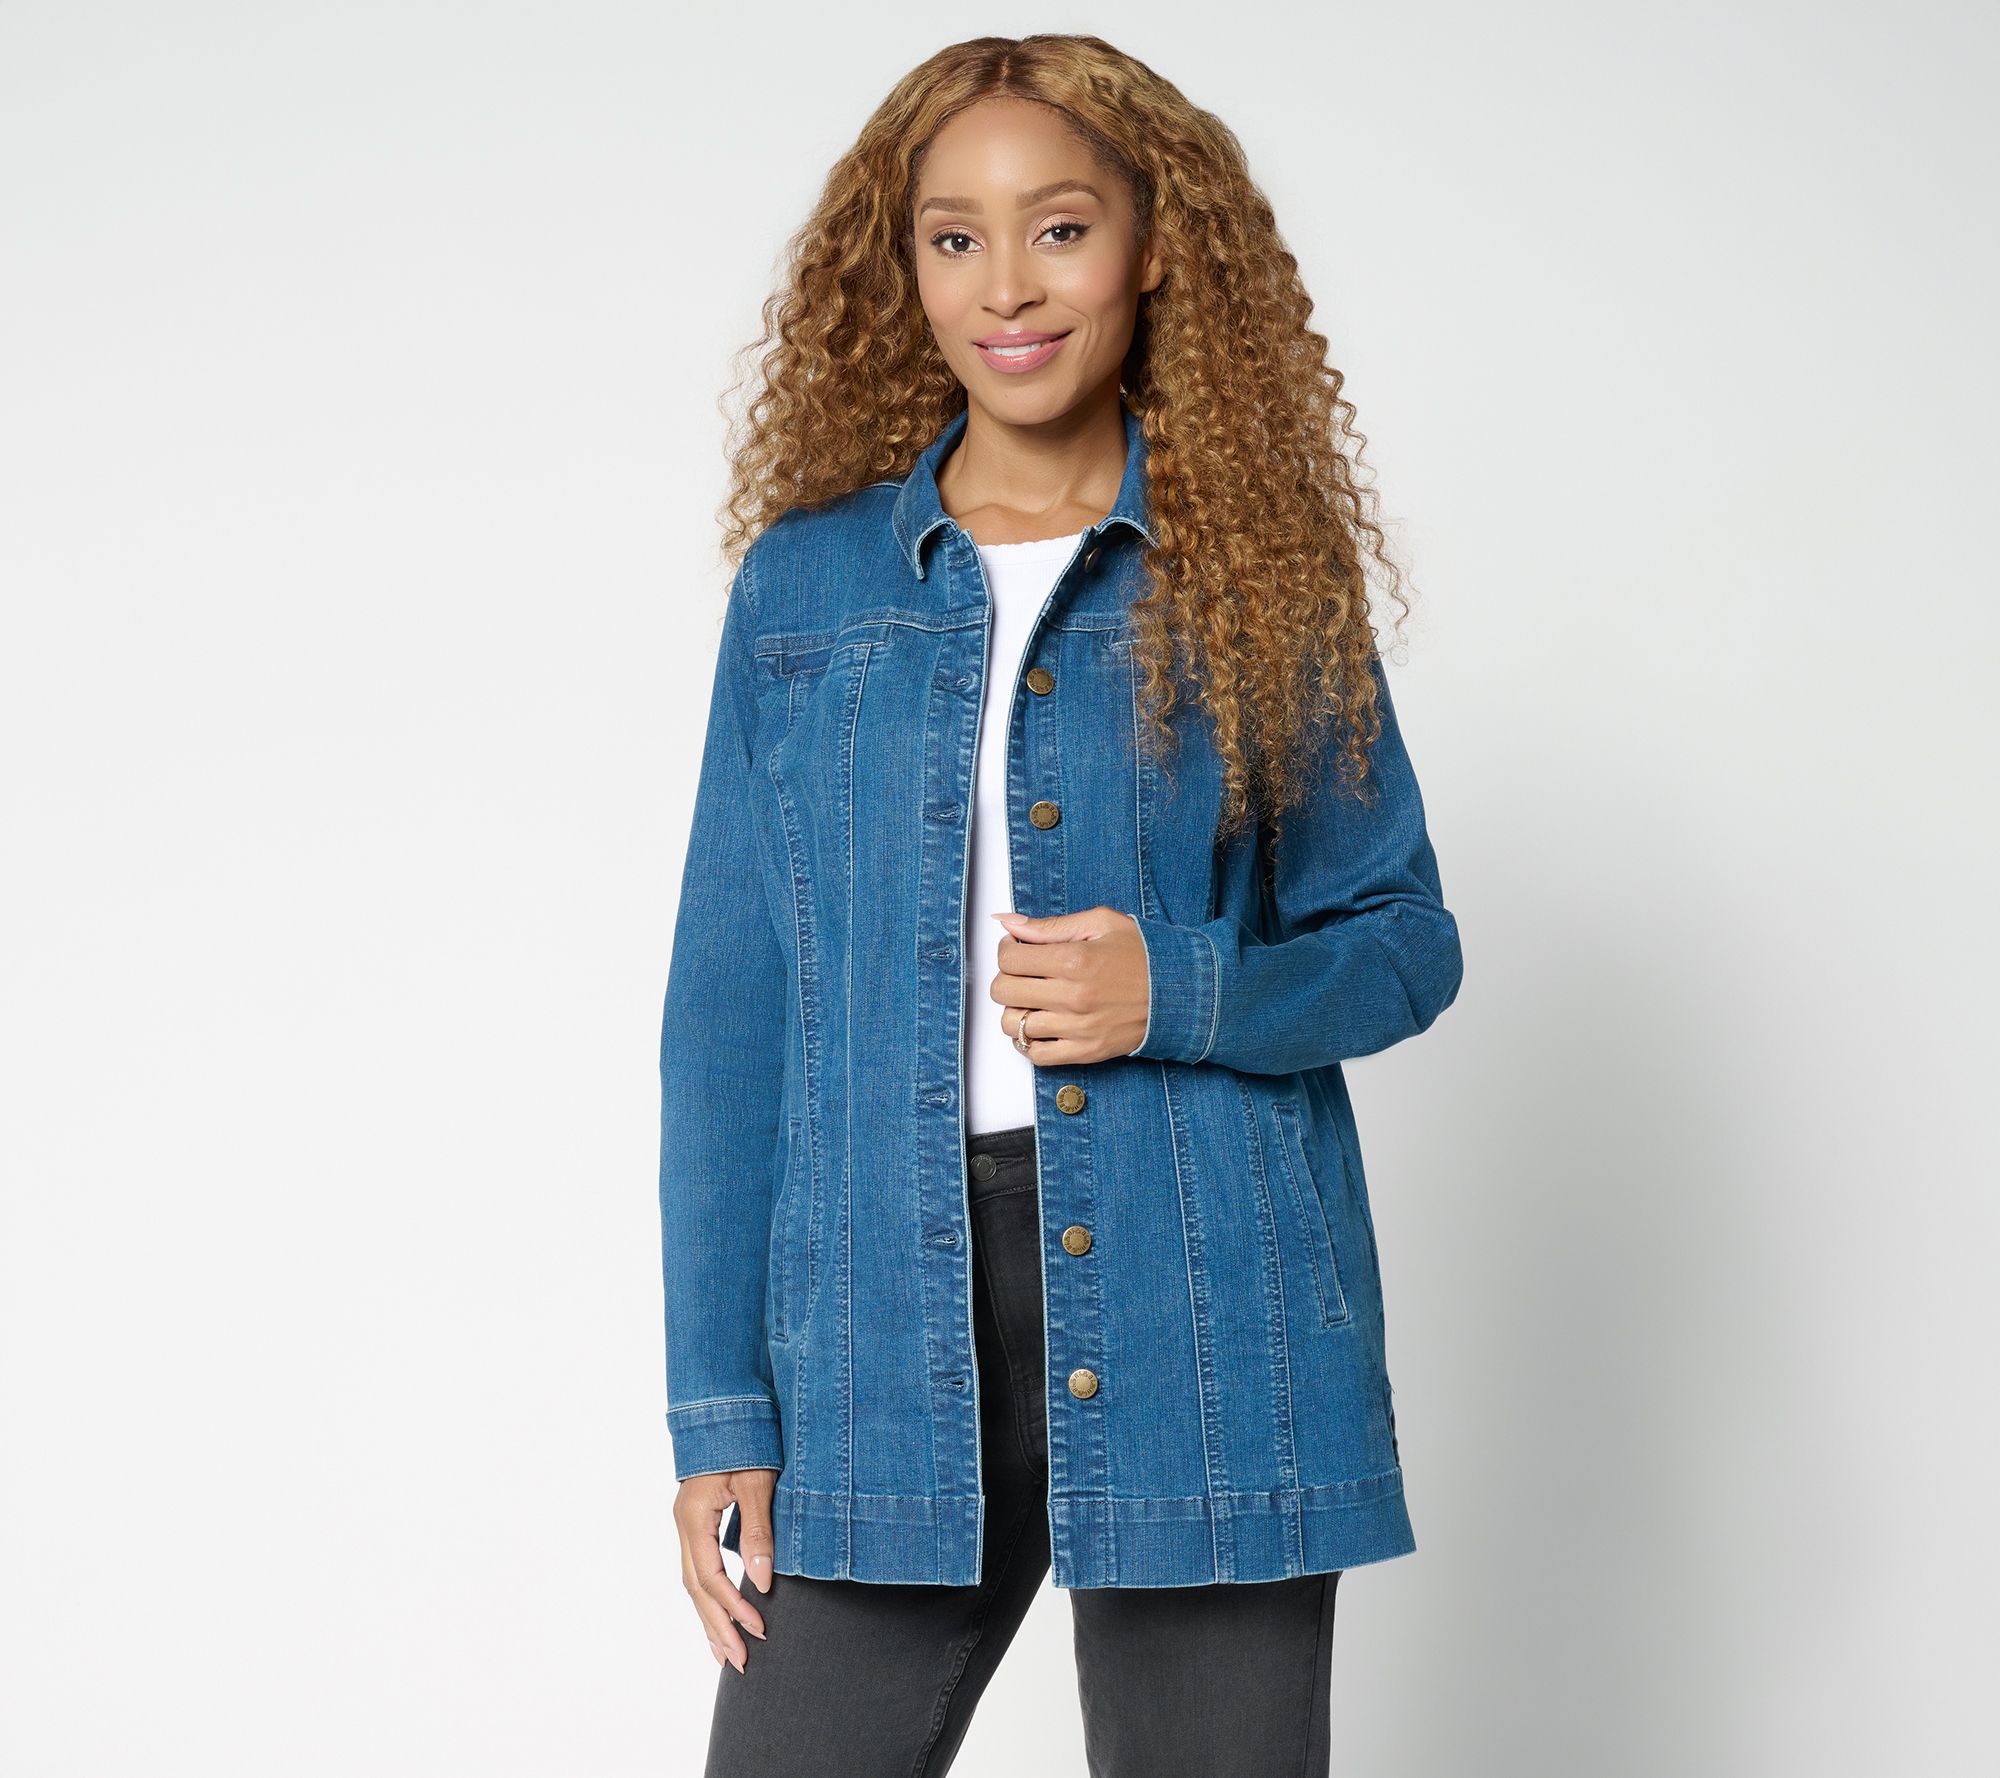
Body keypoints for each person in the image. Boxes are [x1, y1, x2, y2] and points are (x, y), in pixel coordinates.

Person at [657, 33, 1464, 1777]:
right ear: (904, 269)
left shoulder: (1256, 573)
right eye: (954, 238)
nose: (1005, 287)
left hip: (1206, 1300)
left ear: (1153, 249)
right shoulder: (806, 588)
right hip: (874, 1322)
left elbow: (1403, 939)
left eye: (1060, 229)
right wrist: (718, 1403)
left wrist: (1179, 987)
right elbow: (729, 1015)